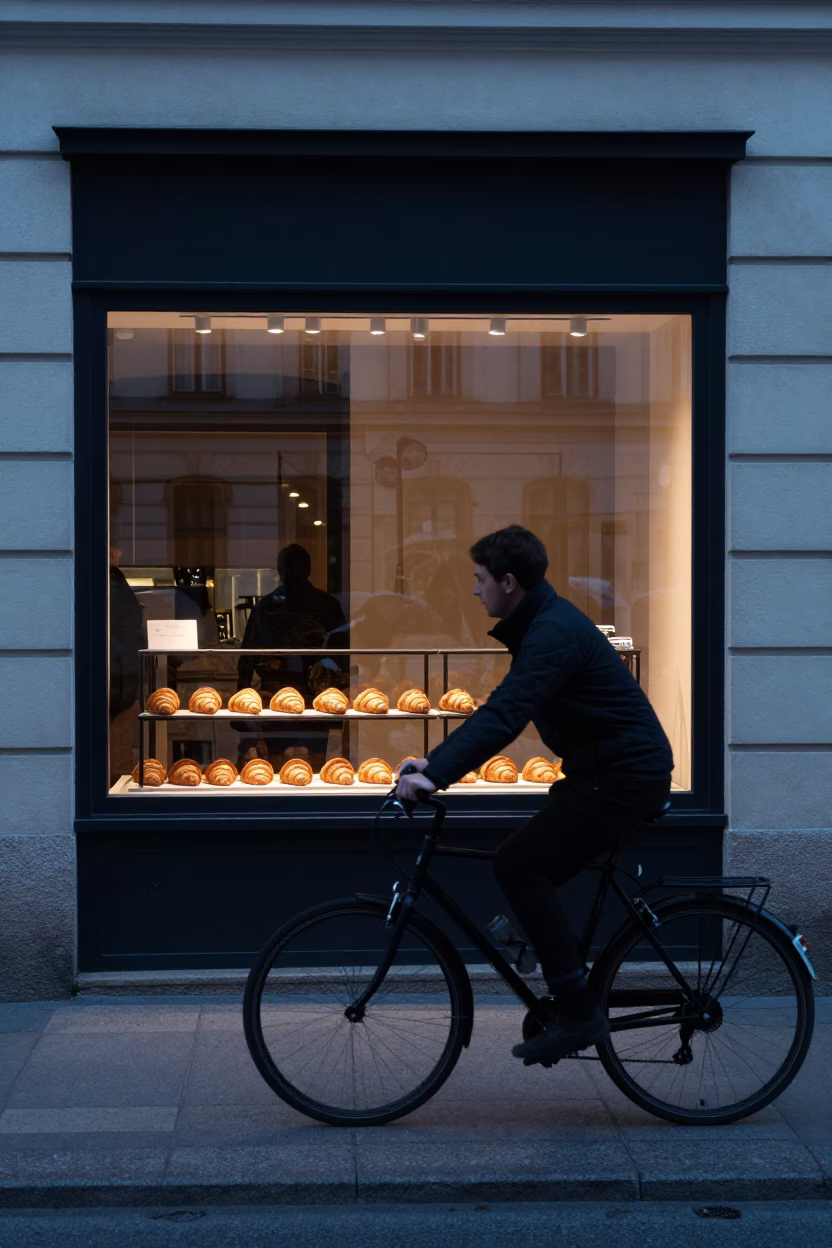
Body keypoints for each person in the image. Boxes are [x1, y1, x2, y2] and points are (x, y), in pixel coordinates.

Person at [396, 525, 673, 1065]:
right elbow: (505, 706)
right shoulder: (544, 623)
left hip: (623, 777)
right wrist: (436, 763)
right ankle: (563, 974)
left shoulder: (553, 631)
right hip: (605, 772)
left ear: (508, 582)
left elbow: (507, 713)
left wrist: (438, 774)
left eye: (480, 579)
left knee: (519, 864)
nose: (473, 590)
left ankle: (577, 1009)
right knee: (526, 865)